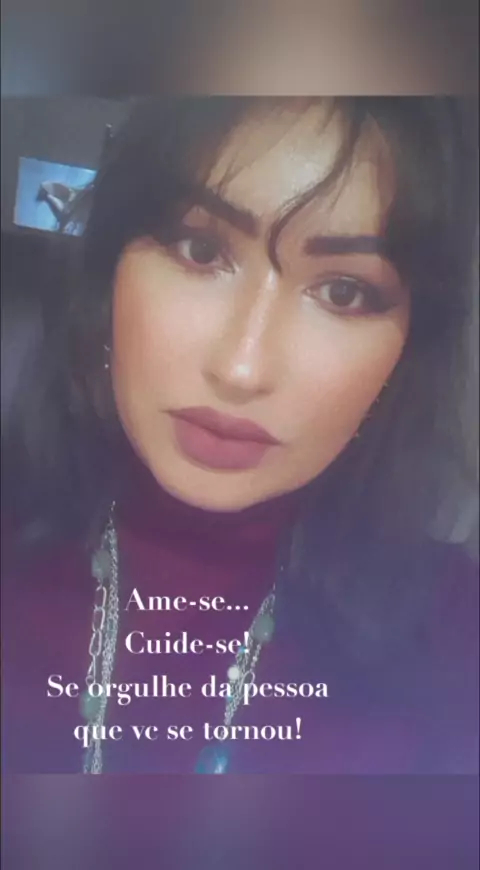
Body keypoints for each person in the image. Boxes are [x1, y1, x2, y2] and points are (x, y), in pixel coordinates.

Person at [2, 96, 478, 774]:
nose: (242, 368)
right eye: (201, 251)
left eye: (343, 293)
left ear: (405, 353)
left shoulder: (455, 639)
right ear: (109, 276)